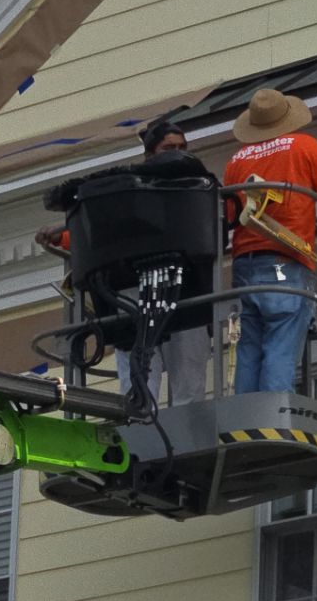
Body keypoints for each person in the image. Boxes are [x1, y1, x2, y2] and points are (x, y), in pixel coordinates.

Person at [35, 115, 210, 406]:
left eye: (182, 147)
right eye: (169, 148)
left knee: (189, 369)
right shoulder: (131, 190)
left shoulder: (195, 189)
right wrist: (63, 236)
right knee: (139, 372)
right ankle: (139, 421)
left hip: (184, 288)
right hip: (134, 287)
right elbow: (107, 234)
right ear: (150, 154)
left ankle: (185, 421)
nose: (178, 153)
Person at [223, 86, 317, 395]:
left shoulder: (237, 160)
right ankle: (275, 414)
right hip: (286, 258)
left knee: (250, 345)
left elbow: (229, 214)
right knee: (281, 339)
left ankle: (248, 413)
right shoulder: (304, 146)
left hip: (245, 262)